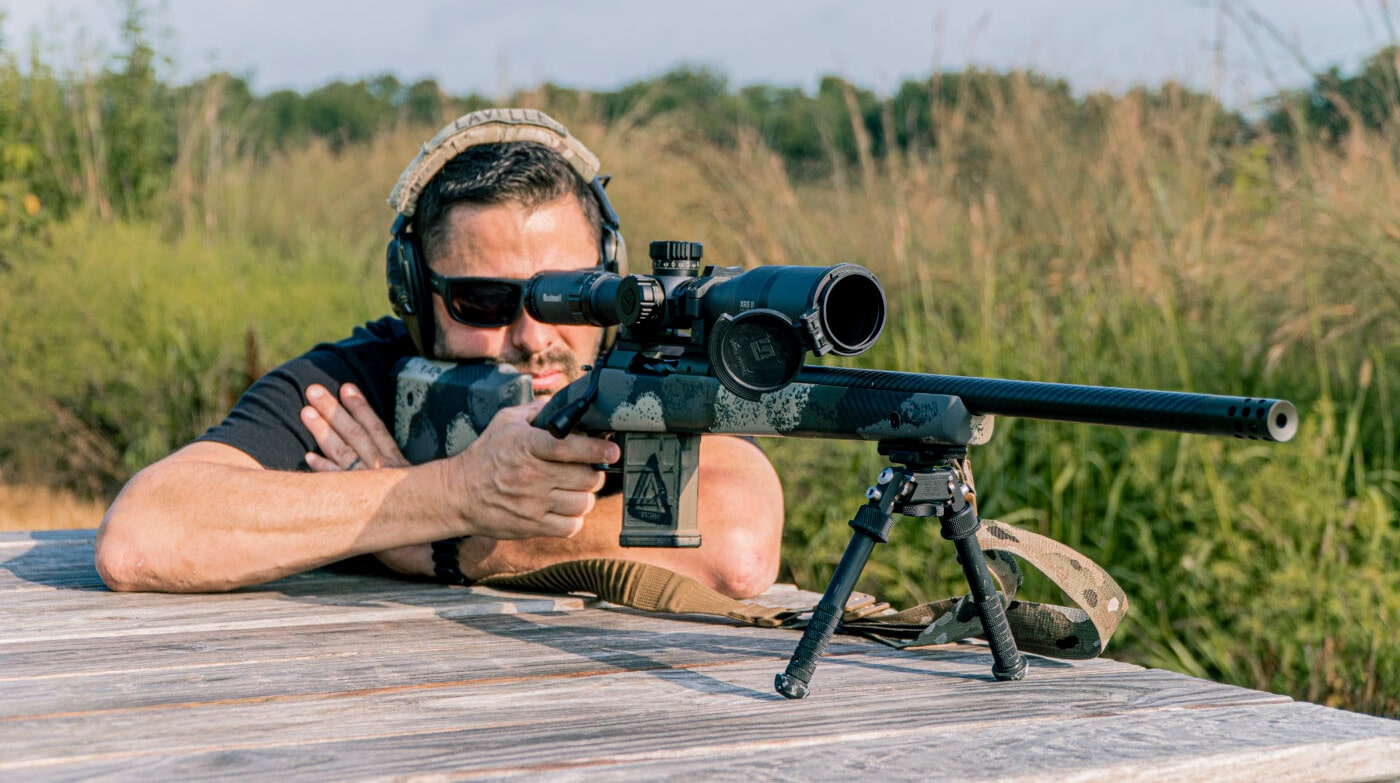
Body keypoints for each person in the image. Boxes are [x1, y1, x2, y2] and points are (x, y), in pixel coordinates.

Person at [95, 108, 784, 598]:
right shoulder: (360, 386)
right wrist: (453, 492)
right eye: (484, 302)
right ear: (417, 292)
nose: (533, 337)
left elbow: (735, 542)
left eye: (574, 297)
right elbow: (145, 533)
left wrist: (430, 543)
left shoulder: (636, 374)